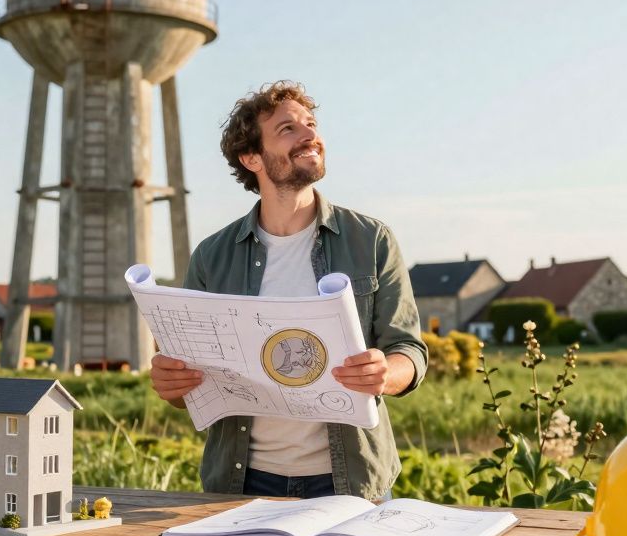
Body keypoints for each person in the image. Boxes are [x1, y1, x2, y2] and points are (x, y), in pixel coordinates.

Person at [149, 81, 428, 500]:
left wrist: (386, 374)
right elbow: (193, 388)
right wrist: (173, 385)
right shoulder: (211, 256)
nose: (310, 135)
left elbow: (409, 350)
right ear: (252, 157)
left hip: (350, 481)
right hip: (241, 483)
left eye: (311, 124)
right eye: (287, 129)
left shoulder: (371, 240)